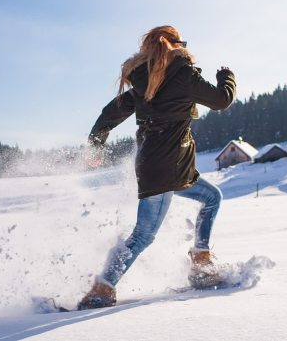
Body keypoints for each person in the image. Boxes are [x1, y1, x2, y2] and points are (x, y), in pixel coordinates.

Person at [78, 25, 236, 310]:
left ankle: (201, 262)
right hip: (169, 166)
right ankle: (102, 288)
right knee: (143, 235)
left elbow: (110, 113)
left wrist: (96, 143)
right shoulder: (183, 74)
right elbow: (222, 100)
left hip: (156, 163)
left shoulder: (143, 81)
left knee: (212, 198)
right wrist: (226, 76)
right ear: (174, 45)